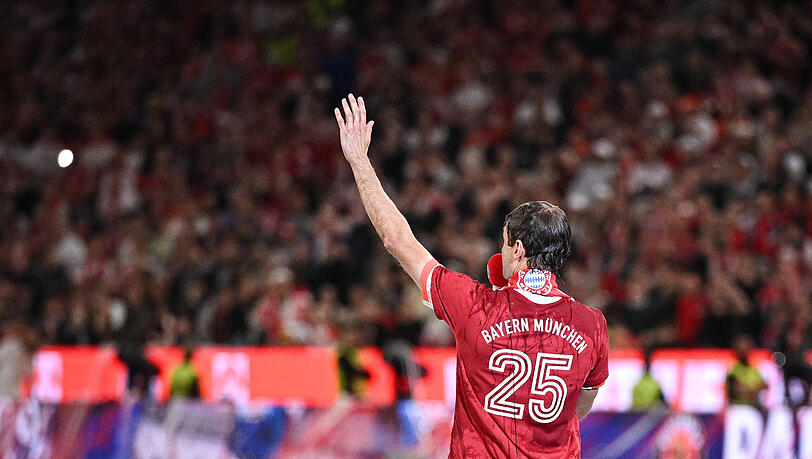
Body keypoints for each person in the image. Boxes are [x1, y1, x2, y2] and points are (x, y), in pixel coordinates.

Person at [334, 94, 609, 458]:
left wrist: (359, 162)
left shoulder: (474, 304)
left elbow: (397, 239)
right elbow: (581, 404)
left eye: (506, 242)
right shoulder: (592, 325)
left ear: (518, 250)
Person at [726, 335, 766, 407]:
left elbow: (764, 385)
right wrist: (754, 390)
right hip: (738, 408)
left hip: (753, 407)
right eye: (742, 346)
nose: (745, 350)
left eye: (747, 346)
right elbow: (738, 390)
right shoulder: (733, 369)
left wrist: (752, 390)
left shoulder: (752, 368)